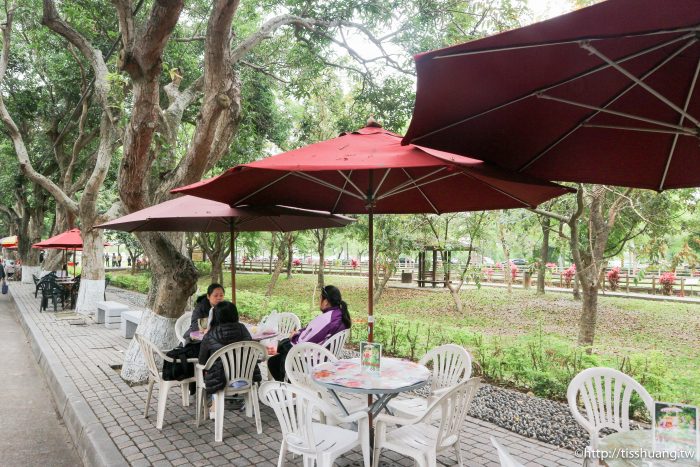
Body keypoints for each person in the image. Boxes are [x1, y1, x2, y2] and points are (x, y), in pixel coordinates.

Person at [268, 285, 351, 381]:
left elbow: (304, 341)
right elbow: (311, 331)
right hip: (324, 356)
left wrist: (293, 337)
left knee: (278, 355)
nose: (318, 301)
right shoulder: (339, 314)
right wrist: (298, 332)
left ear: (326, 302)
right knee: (279, 354)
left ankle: (287, 388)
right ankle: (289, 387)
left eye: (319, 298)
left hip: (314, 360)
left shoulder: (327, 319)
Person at [198, 301, 261, 397]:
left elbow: (202, 361)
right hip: (245, 377)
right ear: (235, 315)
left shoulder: (210, 334)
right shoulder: (243, 329)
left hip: (219, 380)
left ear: (215, 316)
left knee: (207, 369)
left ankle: (214, 406)